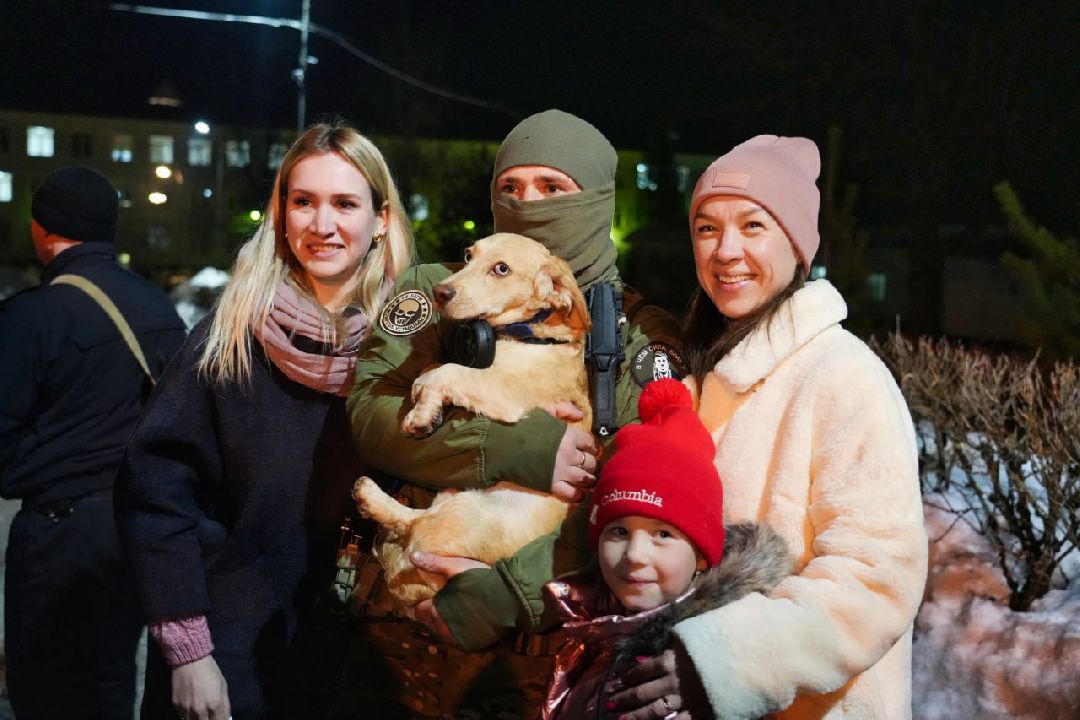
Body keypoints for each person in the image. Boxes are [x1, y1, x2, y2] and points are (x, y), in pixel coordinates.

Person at [344, 109, 684, 718]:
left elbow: (646, 499)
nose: (529, 203)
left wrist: (510, 594)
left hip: (544, 661)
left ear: (597, 199)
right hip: (399, 642)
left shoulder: (640, 335)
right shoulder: (432, 290)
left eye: (554, 188)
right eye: (510, 187)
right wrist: (508, 447)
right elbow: (371, 417)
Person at [607, 135, 929, 719]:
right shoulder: (699, 379)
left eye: (753, 226)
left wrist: (727, 660)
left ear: (797, 246)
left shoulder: (844, 376)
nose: (726, 250)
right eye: (707, 228)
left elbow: (876, 578)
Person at [114, 122, 414, 720]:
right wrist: (189, 653)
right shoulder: (227, 342)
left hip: (361, 657)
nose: (321, 225)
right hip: (232, 655)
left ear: (381, 219)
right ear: (280, 214)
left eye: (345, 204)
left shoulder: (410, 354)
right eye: (303, 201)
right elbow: (155, 498)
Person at [0, 166, 186, 719]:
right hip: (137, 527)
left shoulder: (33, 316)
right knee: (111, 675)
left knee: (44, 685)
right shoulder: (159, 310)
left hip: (60, 534)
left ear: (42, 230)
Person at [541, 378, 792, 720]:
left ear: (703, 555)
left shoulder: (700, 671)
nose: (634, 555)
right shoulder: (589, 634)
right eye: (618, 531)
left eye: (662, 534)